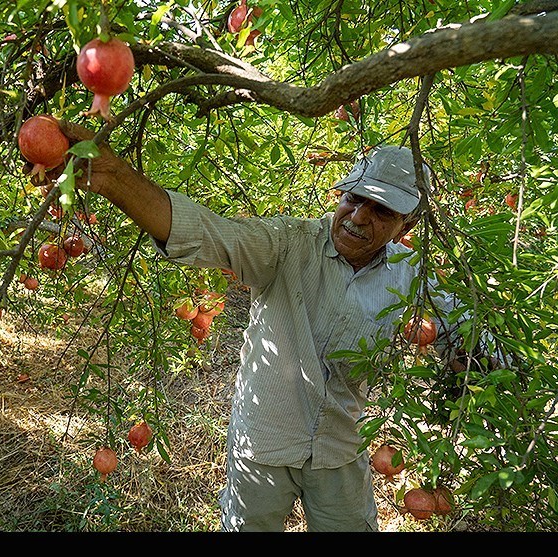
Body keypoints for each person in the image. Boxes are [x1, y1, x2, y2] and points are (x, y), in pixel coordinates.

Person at [56, 121, 441, 532]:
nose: (358, 216)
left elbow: (464, 330)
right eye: (353, 197)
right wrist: (114, 178)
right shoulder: (288, 242)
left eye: (381, 210)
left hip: (340, 450)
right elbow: (208, 233)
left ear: (408, 225)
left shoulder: (411, 278)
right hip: (263, 443)